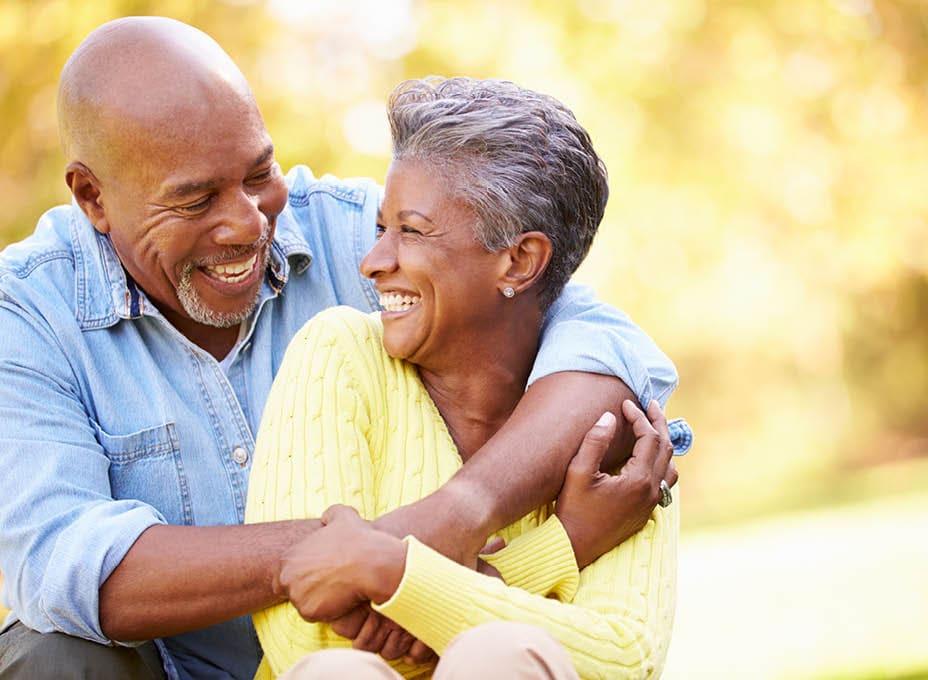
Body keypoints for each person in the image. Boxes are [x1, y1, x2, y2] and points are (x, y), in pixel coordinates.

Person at [0, 17, 683, 680]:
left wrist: (459, 514)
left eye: (258, 173)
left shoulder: (354, 228)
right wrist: (379, 554)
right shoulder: (27, 315)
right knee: (49, 654)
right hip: (184, 667)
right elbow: (72, 564)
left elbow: (598, 342)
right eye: (196, 199)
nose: (245, 223)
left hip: (386, 657)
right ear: (93, 197)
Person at [245, 77, 693, 680]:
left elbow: (620, 657)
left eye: (412, 230)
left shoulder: (616, 432)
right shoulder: (339, 352)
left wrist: (393, 575)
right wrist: (555, 550)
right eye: (381, 228)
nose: (373, 262)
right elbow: (308, 637)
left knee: (499, 658)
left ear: (519, 261)